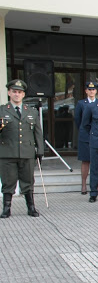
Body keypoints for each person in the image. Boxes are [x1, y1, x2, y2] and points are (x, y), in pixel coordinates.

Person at [0, 79, 44, 218]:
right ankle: (6, 208)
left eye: (19, 92)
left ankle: (31, 207)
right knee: (8, 181)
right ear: (9, 93)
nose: (16, 94)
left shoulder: (31, 111)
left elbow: (37, 132)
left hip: (27, 152)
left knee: (28, 181)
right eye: (14, 92)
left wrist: (40, 150)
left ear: (23, 94)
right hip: (8, 152)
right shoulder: (2, 111)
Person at [74, 81, 97, 195]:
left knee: (96, 161)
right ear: (86, 91)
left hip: (97, 135)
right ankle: (84, 184)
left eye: (93, 89)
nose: (92, 91)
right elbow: (78, 120)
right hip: (85, 135)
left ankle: (96, 184)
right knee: (85, 161)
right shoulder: (81, 103)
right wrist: (84, 131)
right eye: (90, 89)